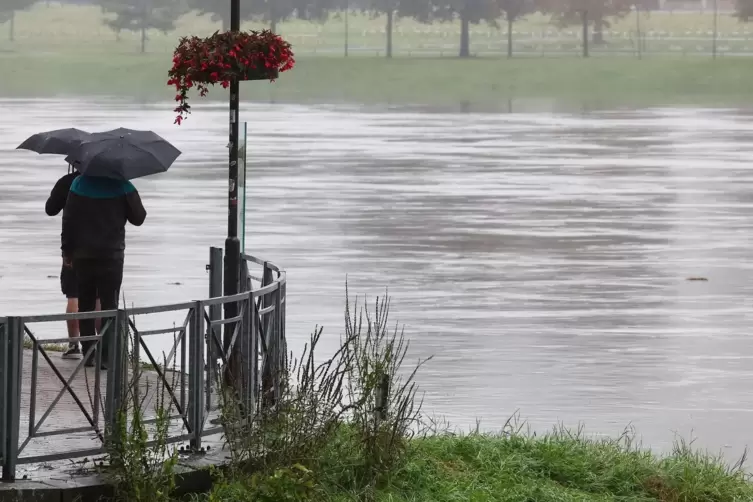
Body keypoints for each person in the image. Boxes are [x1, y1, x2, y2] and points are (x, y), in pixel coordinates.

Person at [61, 175, 146, 369]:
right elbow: (138, 218)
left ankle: (89, 351)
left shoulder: (78, 184)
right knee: (110, 305)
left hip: (83, 255)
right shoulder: (123, 185)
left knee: (86, 304)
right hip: (111, 256)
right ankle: (108, 357)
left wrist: (67, 251)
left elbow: (69, 220)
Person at [45, 166, 101, 359]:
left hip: (75, 247)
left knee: (74, 296)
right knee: (97, 298)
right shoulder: (108, 183)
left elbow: (50, 209)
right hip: (103, 249)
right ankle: (100, 347)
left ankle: (75, 346)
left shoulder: (68, 182)